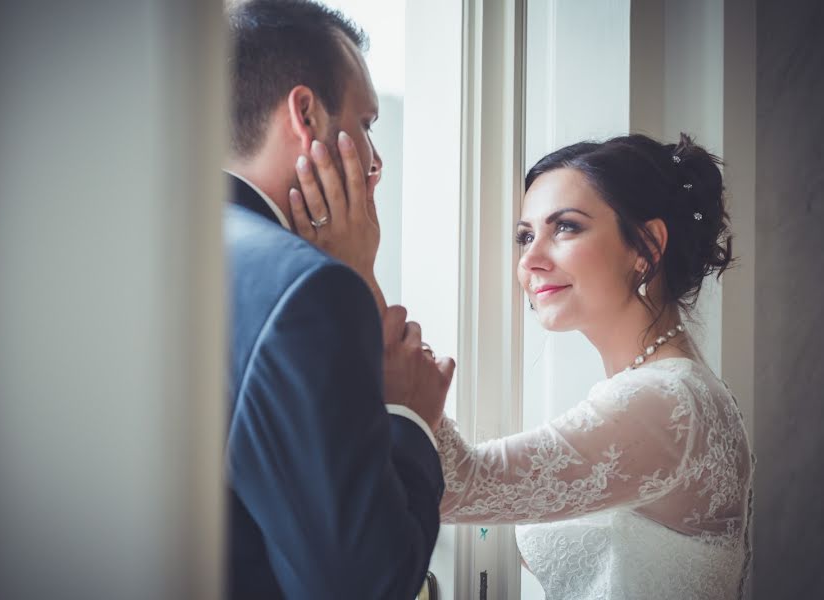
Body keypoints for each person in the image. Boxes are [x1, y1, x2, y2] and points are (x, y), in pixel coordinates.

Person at [294, 133, 754, 599]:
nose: (530, 260)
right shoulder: (669, 390)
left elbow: (456, 486)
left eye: (566, 228)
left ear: (648, 245)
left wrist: (355, 266)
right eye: (525, 236)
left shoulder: (665, 403)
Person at [224, 1, 456, 598]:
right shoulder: (307, 291)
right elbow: (362, 588)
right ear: (305, 114)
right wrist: (405, 412)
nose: (376, 165)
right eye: (368, 123)